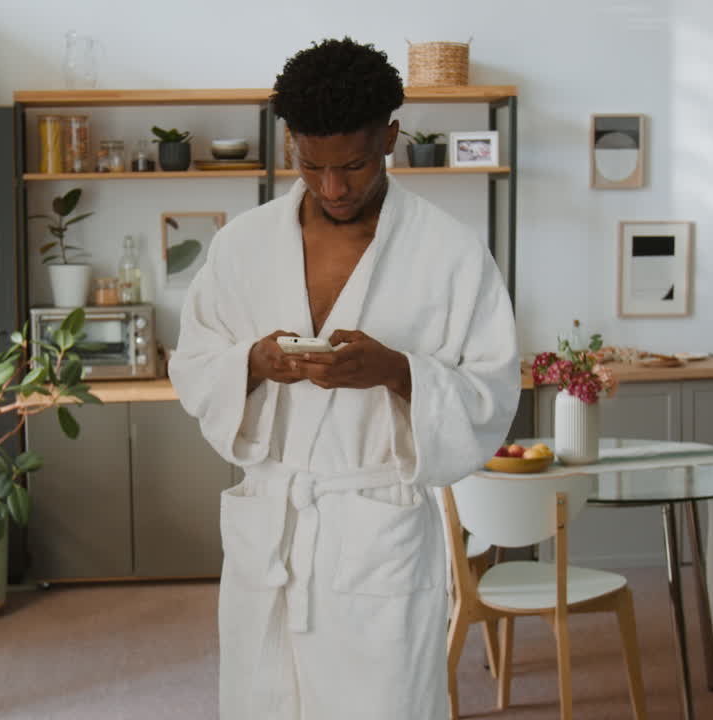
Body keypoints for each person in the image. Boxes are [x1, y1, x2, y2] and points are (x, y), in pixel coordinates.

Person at [169, 37, 520, 720]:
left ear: (389, 137)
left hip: (375, 530)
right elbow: (194, 362)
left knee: (382, 704)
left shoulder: (449, 253)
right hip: (272, 525)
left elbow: (492, 393)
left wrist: (398, 371)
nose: (332, 188)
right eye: (312, 165)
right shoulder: (242, 246)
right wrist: (253, 363)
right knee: (263, 702)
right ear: (291, 144)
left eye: (354, 166)